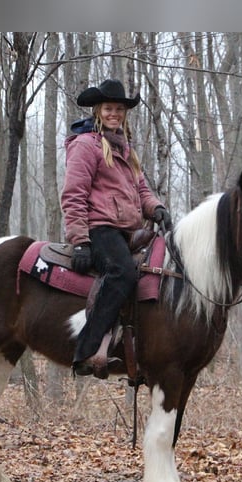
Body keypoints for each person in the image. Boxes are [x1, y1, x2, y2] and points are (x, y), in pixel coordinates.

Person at [60, 78, 172, 378]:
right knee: (122, 272)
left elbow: (142, 190)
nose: (114, 114)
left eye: (119, 109)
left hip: (129, 232)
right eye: (109, 108)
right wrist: (80, 241)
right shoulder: (86, 145)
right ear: (98, 110)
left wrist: (157, 208)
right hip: (100, 229)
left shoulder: (125, 149)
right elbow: (73, 195)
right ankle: (86, 351)